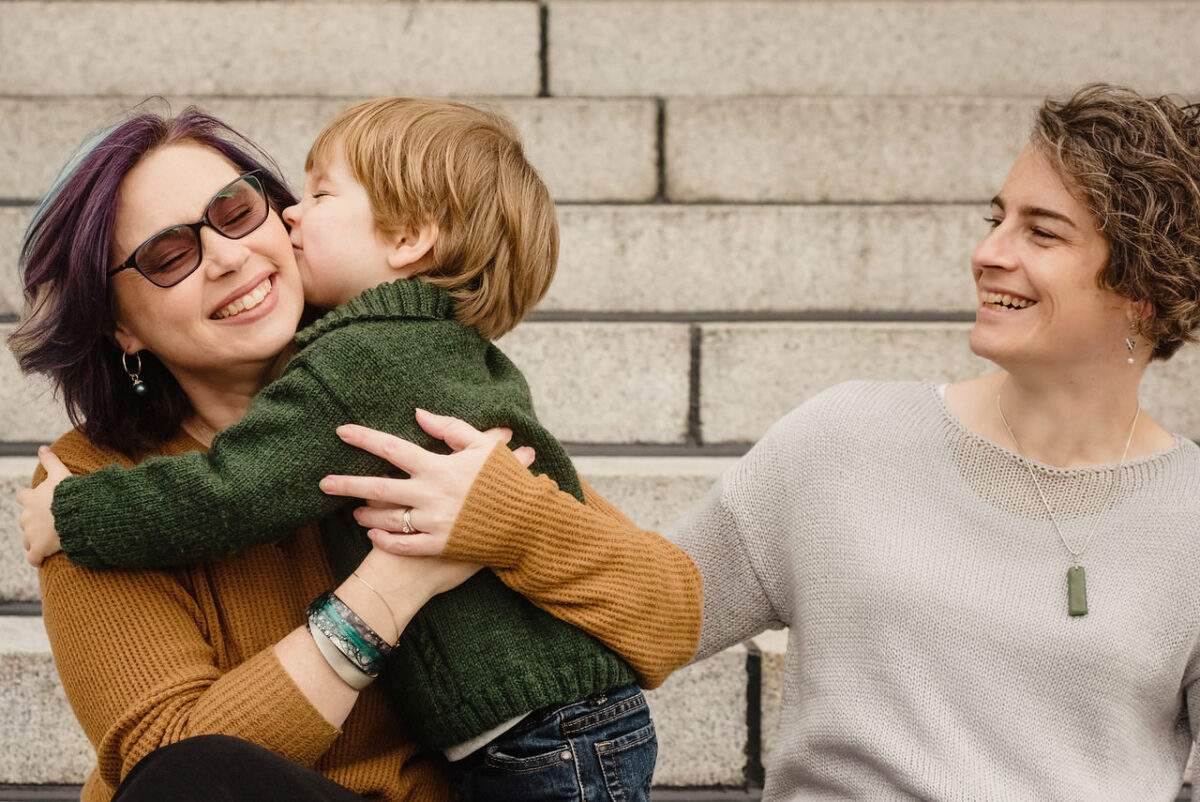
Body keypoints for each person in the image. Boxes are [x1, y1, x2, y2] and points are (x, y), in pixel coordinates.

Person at [318, 84, 1200, 801]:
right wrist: (516, 513)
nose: (989, 252)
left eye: (1041, 232)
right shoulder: (850, 438)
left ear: (1145, 291)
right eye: (995, 216)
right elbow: (666, 611)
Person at [10, 106, 700, 801]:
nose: (227, 254)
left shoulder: (401, 392)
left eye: (237, 211)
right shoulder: (88, 486)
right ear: (120, 324)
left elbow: (672, 617)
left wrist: (509, 521)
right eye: (168, 255)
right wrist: (396, 582)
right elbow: (173, 767)